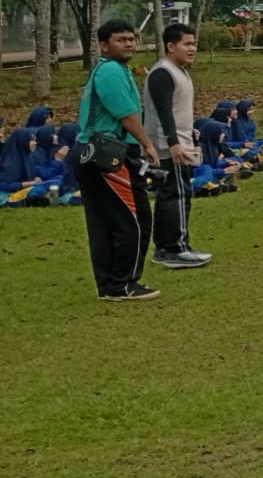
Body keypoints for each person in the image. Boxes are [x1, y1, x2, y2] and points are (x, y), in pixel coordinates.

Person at [75, 19, 163, 301]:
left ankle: (109, 286)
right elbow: (126, 115)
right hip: (107, 154)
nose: (128, 44)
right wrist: (147, 144)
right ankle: (122, 285)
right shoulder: (111, 71)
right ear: (104, 45)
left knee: (104, 224)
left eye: (131, 39)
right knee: (133, 219)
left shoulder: (112, 70)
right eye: (120, 40)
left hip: (92, 151)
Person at [143, 22, 213, 269]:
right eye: (187, 44)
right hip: (169, 146)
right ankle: (176, 248)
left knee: (171, 194)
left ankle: (164, 248)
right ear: (170, 46)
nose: (192, 49)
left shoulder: (179, 71)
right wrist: (173, 143)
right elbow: (164, 112)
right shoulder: (163, 73)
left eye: (194, 44)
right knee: (177, 194)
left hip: (180, 142)